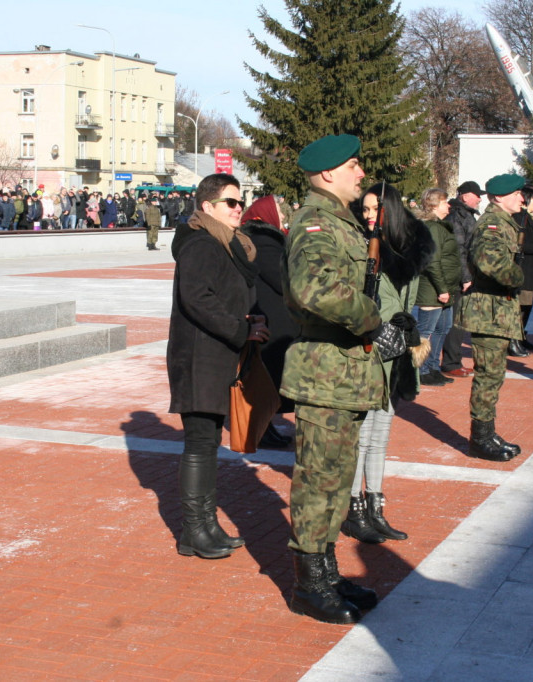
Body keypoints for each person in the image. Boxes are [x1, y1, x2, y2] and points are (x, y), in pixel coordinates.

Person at [281, 134, 384, 625]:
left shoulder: (340, 220)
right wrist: (373, 319)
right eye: (353, 165)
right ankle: (308, 586)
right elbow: (314, 289)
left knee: (336, 481)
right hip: (324, 373)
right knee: (318, 481)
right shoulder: (316, 222)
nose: (361, 173)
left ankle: (326, 573)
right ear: (327, 174)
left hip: (341, 375)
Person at [166, 173, 269, 561]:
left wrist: (253, 323)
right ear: (207, 207)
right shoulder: (200, 244)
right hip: (198, 357)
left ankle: (207, 526)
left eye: (240, 202)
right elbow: (197, 299)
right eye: (231, 202)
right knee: (199, 445)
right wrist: (240, 329)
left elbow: (227, 296)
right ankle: (193, 530)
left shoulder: (228, 245)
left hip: (218, 355)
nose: (238, 208)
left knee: (208, 445)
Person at [341, 183, 433, 545]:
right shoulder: (358, 247)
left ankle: (376, 507)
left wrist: (407, 326)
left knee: (379, 437)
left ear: (390, 210)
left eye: (373, 209)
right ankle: (354, 510)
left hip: (396, 355)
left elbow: (406, 299)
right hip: (367, 353)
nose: (367, 216)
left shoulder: (407, 251)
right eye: (363, 210)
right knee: (360, 438)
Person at [455, 174, 525, 462]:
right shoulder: (493, 225)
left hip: (495, 310)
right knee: (488, 376)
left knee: (493, 376)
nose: (522, 198)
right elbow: (489, 261)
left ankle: (487, 432)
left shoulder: (503, 222)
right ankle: (480, 439)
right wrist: (522, 276)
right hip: (488, 311)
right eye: (517, 194)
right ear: (499, 197)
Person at [239, 196, 297, 449]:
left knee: (272, 375)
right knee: (271, 376)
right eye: (280, 214)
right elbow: (282, 279)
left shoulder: (264, 240)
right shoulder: (264, 241)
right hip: (273, 317)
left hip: (273, 315)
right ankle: (261, 428)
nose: (283, 219)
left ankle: (265, 426)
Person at [415, 188, 460, 386]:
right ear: (434, 205)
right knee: (426, 330)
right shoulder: (432, 227)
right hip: (432, 288)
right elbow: (432, 261)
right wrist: (441, 289)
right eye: (444, 202)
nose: (448, 205)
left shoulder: (440, 226)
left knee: (443, 327)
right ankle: (421, 370)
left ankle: (432, 367)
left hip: (444, 287)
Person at [441, 181, 481, 379]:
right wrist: (466, 277)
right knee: (455, 322)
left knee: (460, 321)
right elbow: (459, 250)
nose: (480, 198)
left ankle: (453, 360)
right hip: (459, 278)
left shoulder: (466, 215)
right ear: (465, 196)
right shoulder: (457, 216)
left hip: (465, 276)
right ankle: (451, 362)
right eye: (476, 195)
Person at [511, 184, 533, 356]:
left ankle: (521, 337)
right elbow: (519, 244)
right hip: (523, 268)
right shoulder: (521, 217)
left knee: (527, 306)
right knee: (520, 307)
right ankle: (513, 341)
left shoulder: (532, 216)